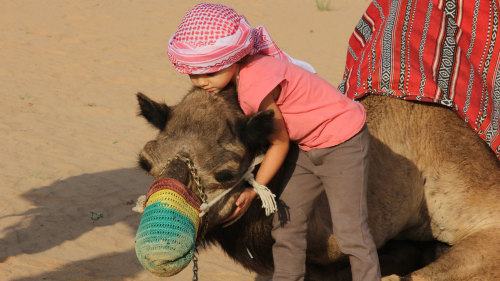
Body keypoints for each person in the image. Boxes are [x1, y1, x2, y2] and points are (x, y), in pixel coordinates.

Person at [167, 3, 381, 281]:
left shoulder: (254, 84)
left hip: (341, 142)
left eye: (210, 72)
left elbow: (278, 143)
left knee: (351, 232)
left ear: (234, 59)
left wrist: (254, 191)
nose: (200, 81)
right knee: (287, 224)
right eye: (194, 73)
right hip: (305, 145)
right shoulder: (241, 74)